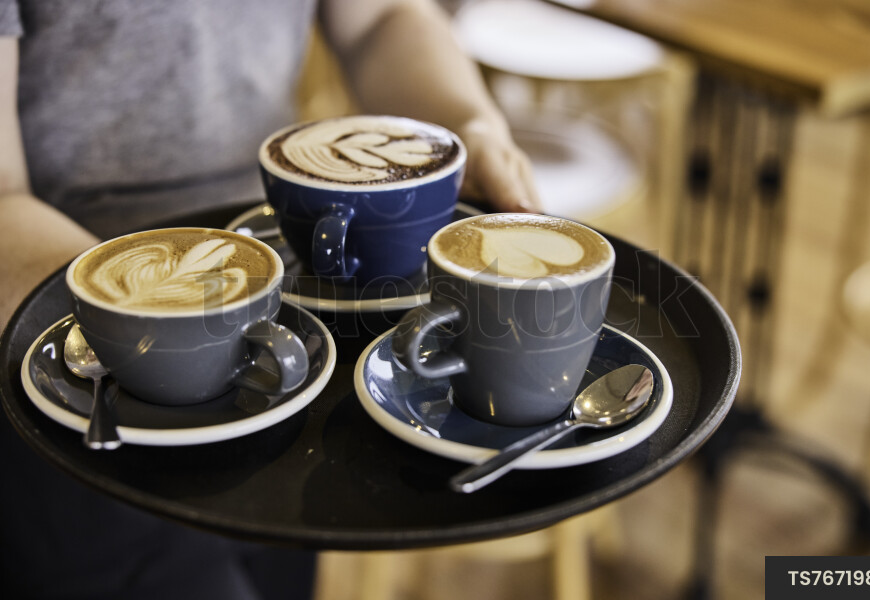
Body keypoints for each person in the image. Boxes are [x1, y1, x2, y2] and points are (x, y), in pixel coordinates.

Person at [0, 1, 539, 598]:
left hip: (278, 325)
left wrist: (470, 121)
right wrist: (146, 319)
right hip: (73, 361)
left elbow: (382, 17)